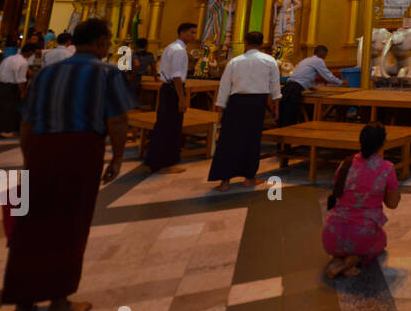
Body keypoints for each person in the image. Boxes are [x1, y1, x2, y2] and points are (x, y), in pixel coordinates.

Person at [1, 18, 135, 311]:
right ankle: (58, 303)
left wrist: (29, 158)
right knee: (69, 225)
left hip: (40, 148)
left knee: (30, 226)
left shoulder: (47, 73)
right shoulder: (107, 72)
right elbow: (117, 121)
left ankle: (22, 305)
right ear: (101, 42)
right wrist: (116, 158)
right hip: (80, 150)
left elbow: (26, 122)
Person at [322, 123, 401, 277]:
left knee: (343, 245)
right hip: (363, 235)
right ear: (382, 144)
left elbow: (338, 192)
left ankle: (339, 260)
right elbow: (392, 204)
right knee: (380, 241)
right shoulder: (386, 168)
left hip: (331, 235)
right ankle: (351, 262)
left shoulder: (345, 164)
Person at [208, 31, 281, 191]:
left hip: (236, 102)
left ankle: (224, 181)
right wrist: (276, 107)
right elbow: (275, 87)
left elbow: (225, 86)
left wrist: (220, 109)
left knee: (228, 141)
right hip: (257, 103)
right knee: (252, 140)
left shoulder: (235, 61)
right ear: (262, 44)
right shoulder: (270, 61)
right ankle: (249, 178)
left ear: (245, 42)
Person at [145, 22, 198, 174]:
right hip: (173, 90)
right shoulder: (179, 50)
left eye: (194, 32)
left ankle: (156, 161)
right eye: (191, 32)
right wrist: (181, 98)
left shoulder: (171, 47)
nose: (194, 35)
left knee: (164, 125)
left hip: (168, 89)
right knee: (171, 126)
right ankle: (165, 163)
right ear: (182, 33)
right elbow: (176, 76)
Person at [278, 44, 343, 128]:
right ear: (323, 53)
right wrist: (341, 82)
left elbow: (302, 75)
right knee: (291, 116)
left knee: (284, 114)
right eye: (325, 55)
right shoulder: (318, 61)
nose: (325, 57)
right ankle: (289, 135)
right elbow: (327, 76)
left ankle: (281, 136)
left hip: (287, 87)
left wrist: (309, 86)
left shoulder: (306, 60)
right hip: (294, 89)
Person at [0, 42, 40, 139]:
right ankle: (15, 131)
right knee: (14, 110)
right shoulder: (23, 62)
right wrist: (23, 92)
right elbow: (20, 80)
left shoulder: (9, 58)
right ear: (30, 52)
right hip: (10, 89)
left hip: (0, 86)